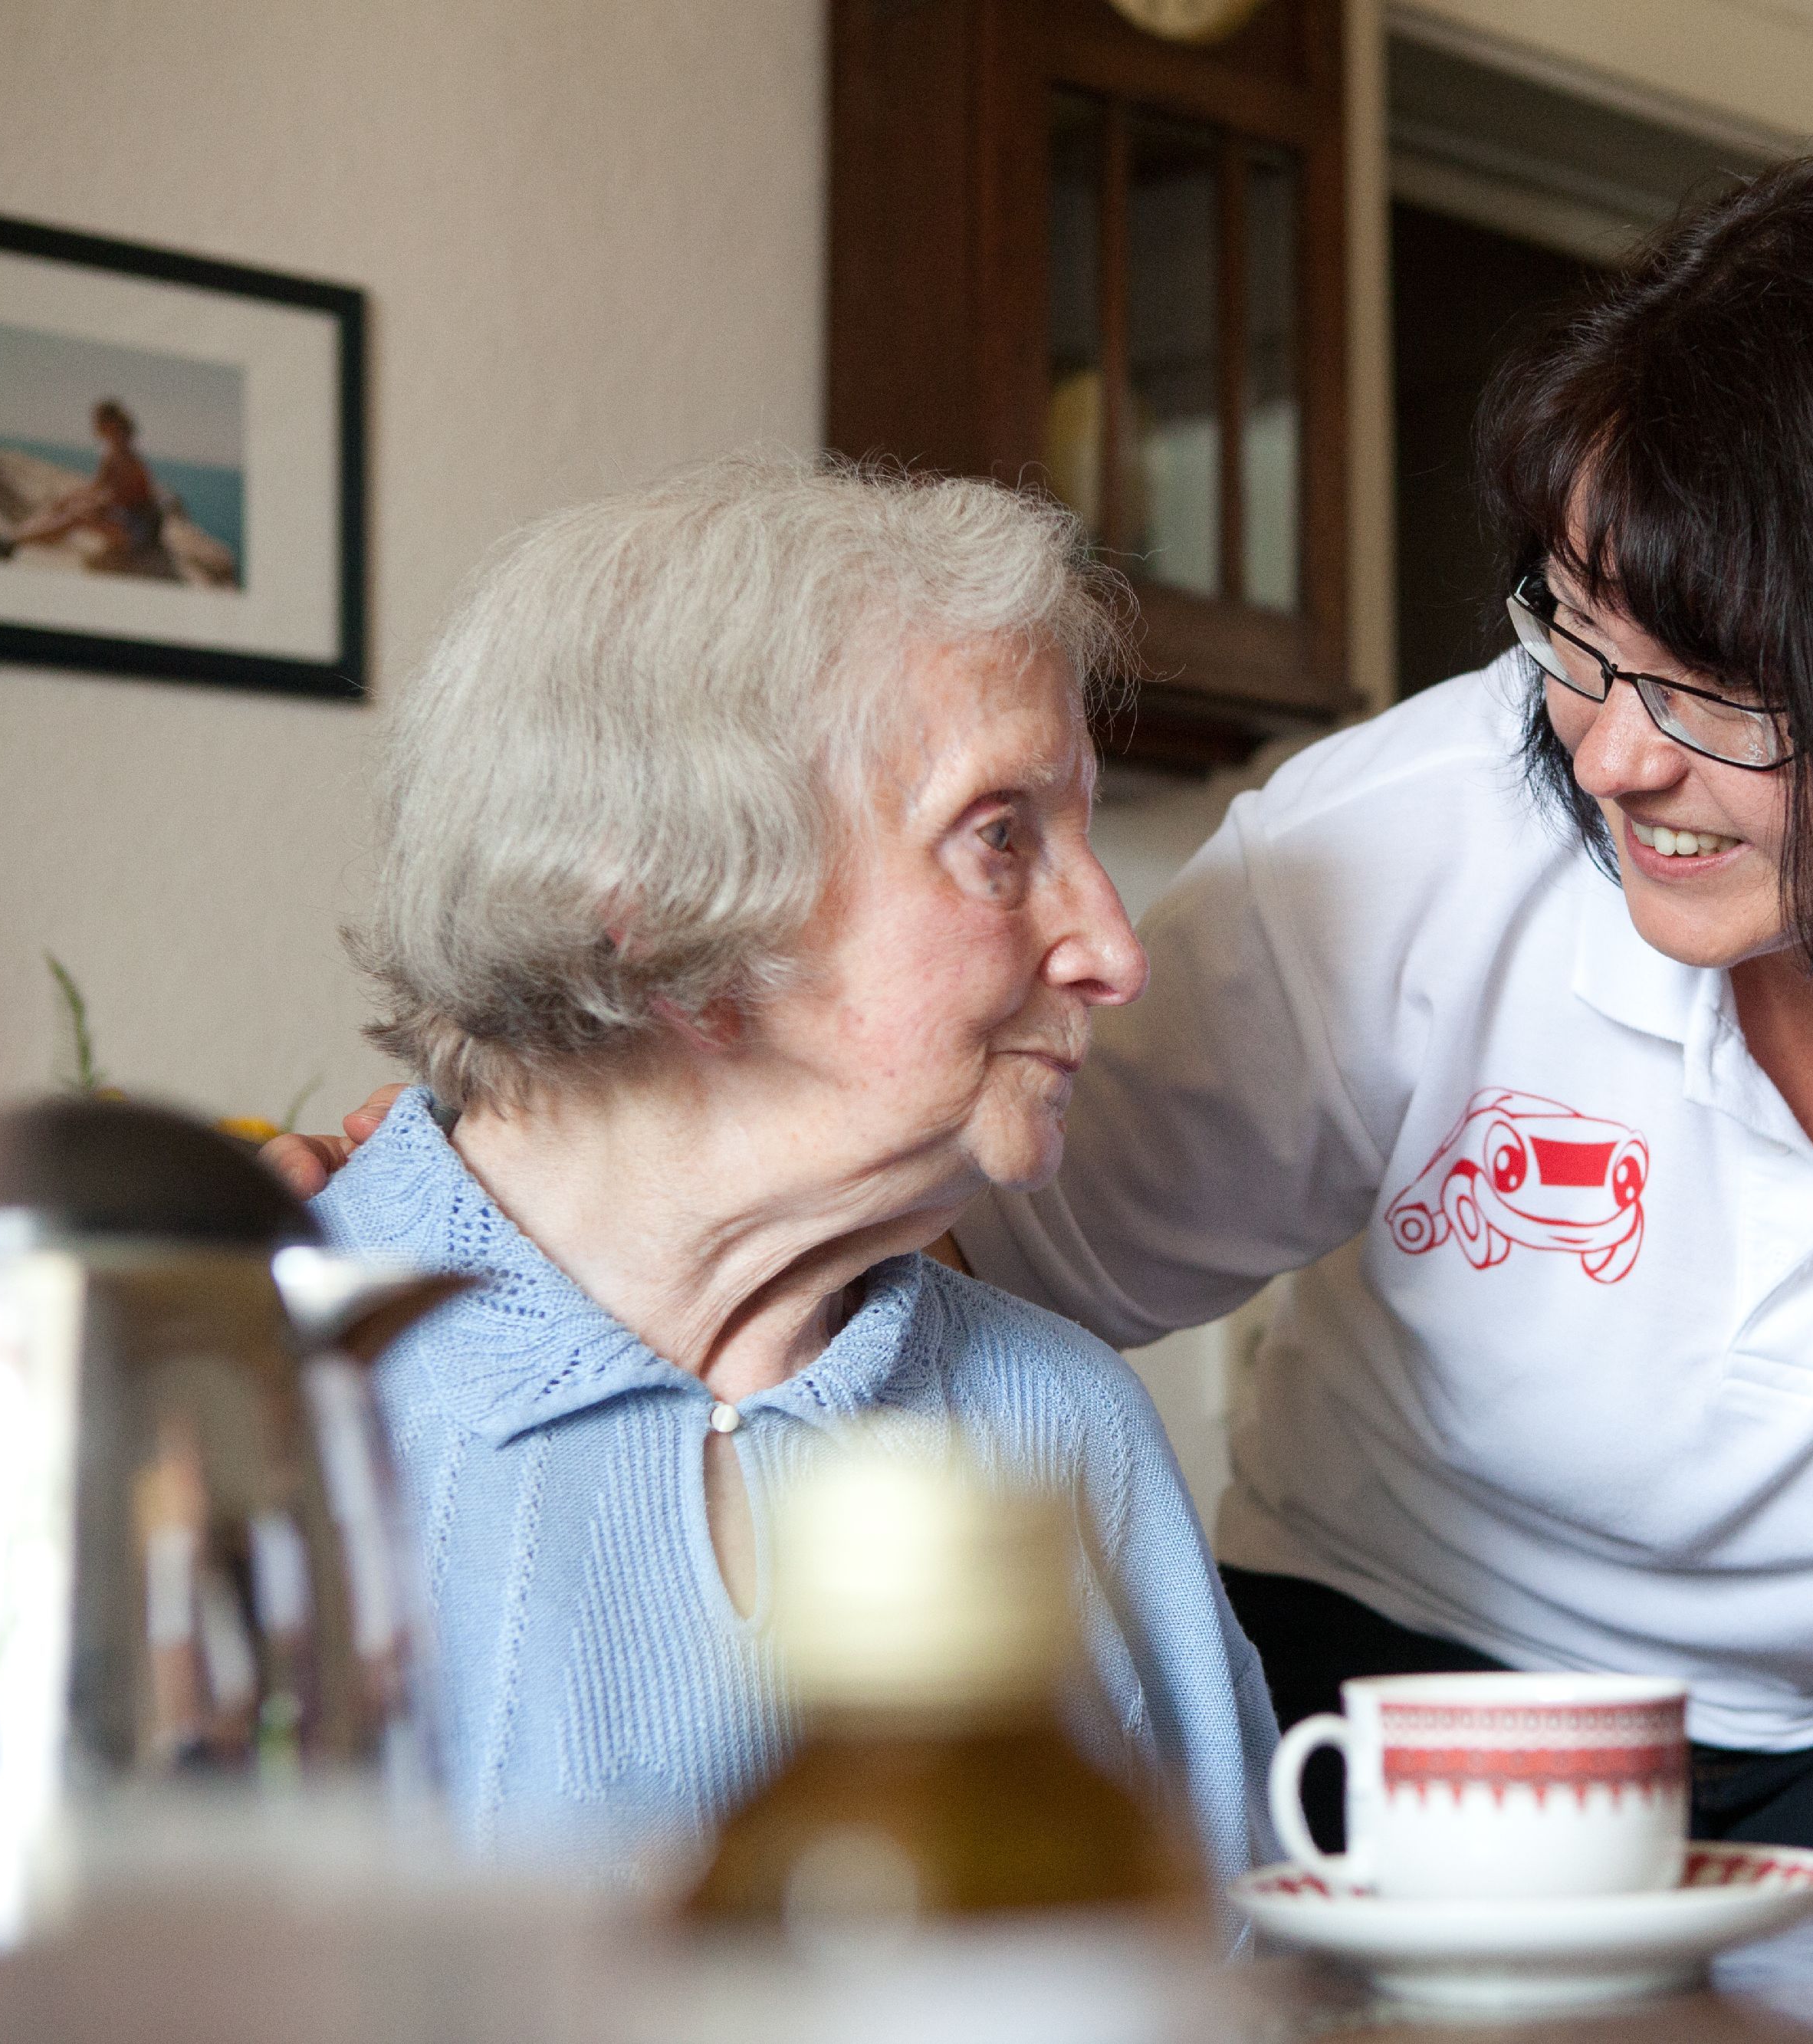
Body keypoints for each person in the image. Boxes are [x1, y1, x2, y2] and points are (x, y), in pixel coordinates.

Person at [287, 147, 1813, 1880]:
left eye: (1716, 691)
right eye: (1578, 633)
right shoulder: (1419, 844)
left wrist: (1811, 1975)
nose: (1610, 752)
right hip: (1390, 1685)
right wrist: (400, 1218)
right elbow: (905, 1198)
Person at [306, 452, 1276, 1880]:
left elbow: (1235, 1982)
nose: (1115, 952)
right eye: (1001, 837)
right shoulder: (255, 1399)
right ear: (661, 907)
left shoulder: (1061, 1423)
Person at [0, 398, 169, 571]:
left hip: (139, 528)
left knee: (76, 517)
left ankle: (11, 541)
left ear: (111, 423)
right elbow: (97, 487)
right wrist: (70, 499)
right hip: (124, 518)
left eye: (98, 420)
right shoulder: (113, 453)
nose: (95, 425)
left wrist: (91, 506)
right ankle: (12, 537)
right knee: (66, 506)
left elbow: (122, 498)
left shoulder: (127, 457)